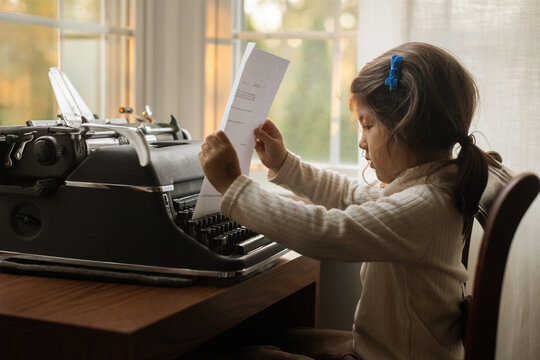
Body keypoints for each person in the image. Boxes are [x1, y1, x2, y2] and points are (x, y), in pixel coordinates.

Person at [198, 42, 495, 360]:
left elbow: (324, 233)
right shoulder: (425, 189)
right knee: (281, 336)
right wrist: (285, 164)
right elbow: (349, 196)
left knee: (250, 354)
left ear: (409, 129)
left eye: (368, 126)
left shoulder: (425, 205)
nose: (361, 141)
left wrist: (234, 185)